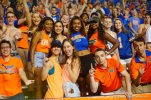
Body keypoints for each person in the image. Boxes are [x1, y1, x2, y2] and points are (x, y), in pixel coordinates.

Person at [69, 16, 95, 96]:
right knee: (80, 81)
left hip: (88, 58)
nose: (76, 25)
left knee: (89, 80)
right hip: (78, 60)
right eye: (74, 23)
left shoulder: (86, 33)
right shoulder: (69, 35)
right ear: (72, 25)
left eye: (78, 23)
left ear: (81, 25)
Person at [30, 17, 54, 98]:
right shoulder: (39, 33)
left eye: (51, 24)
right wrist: (32, 65)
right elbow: (32, 49)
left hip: (47, 59)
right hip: (39, 58)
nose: (49, 26)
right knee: (39, 86)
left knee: (45, 86)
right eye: (47, 24)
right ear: (43, 24)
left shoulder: (50, 37)